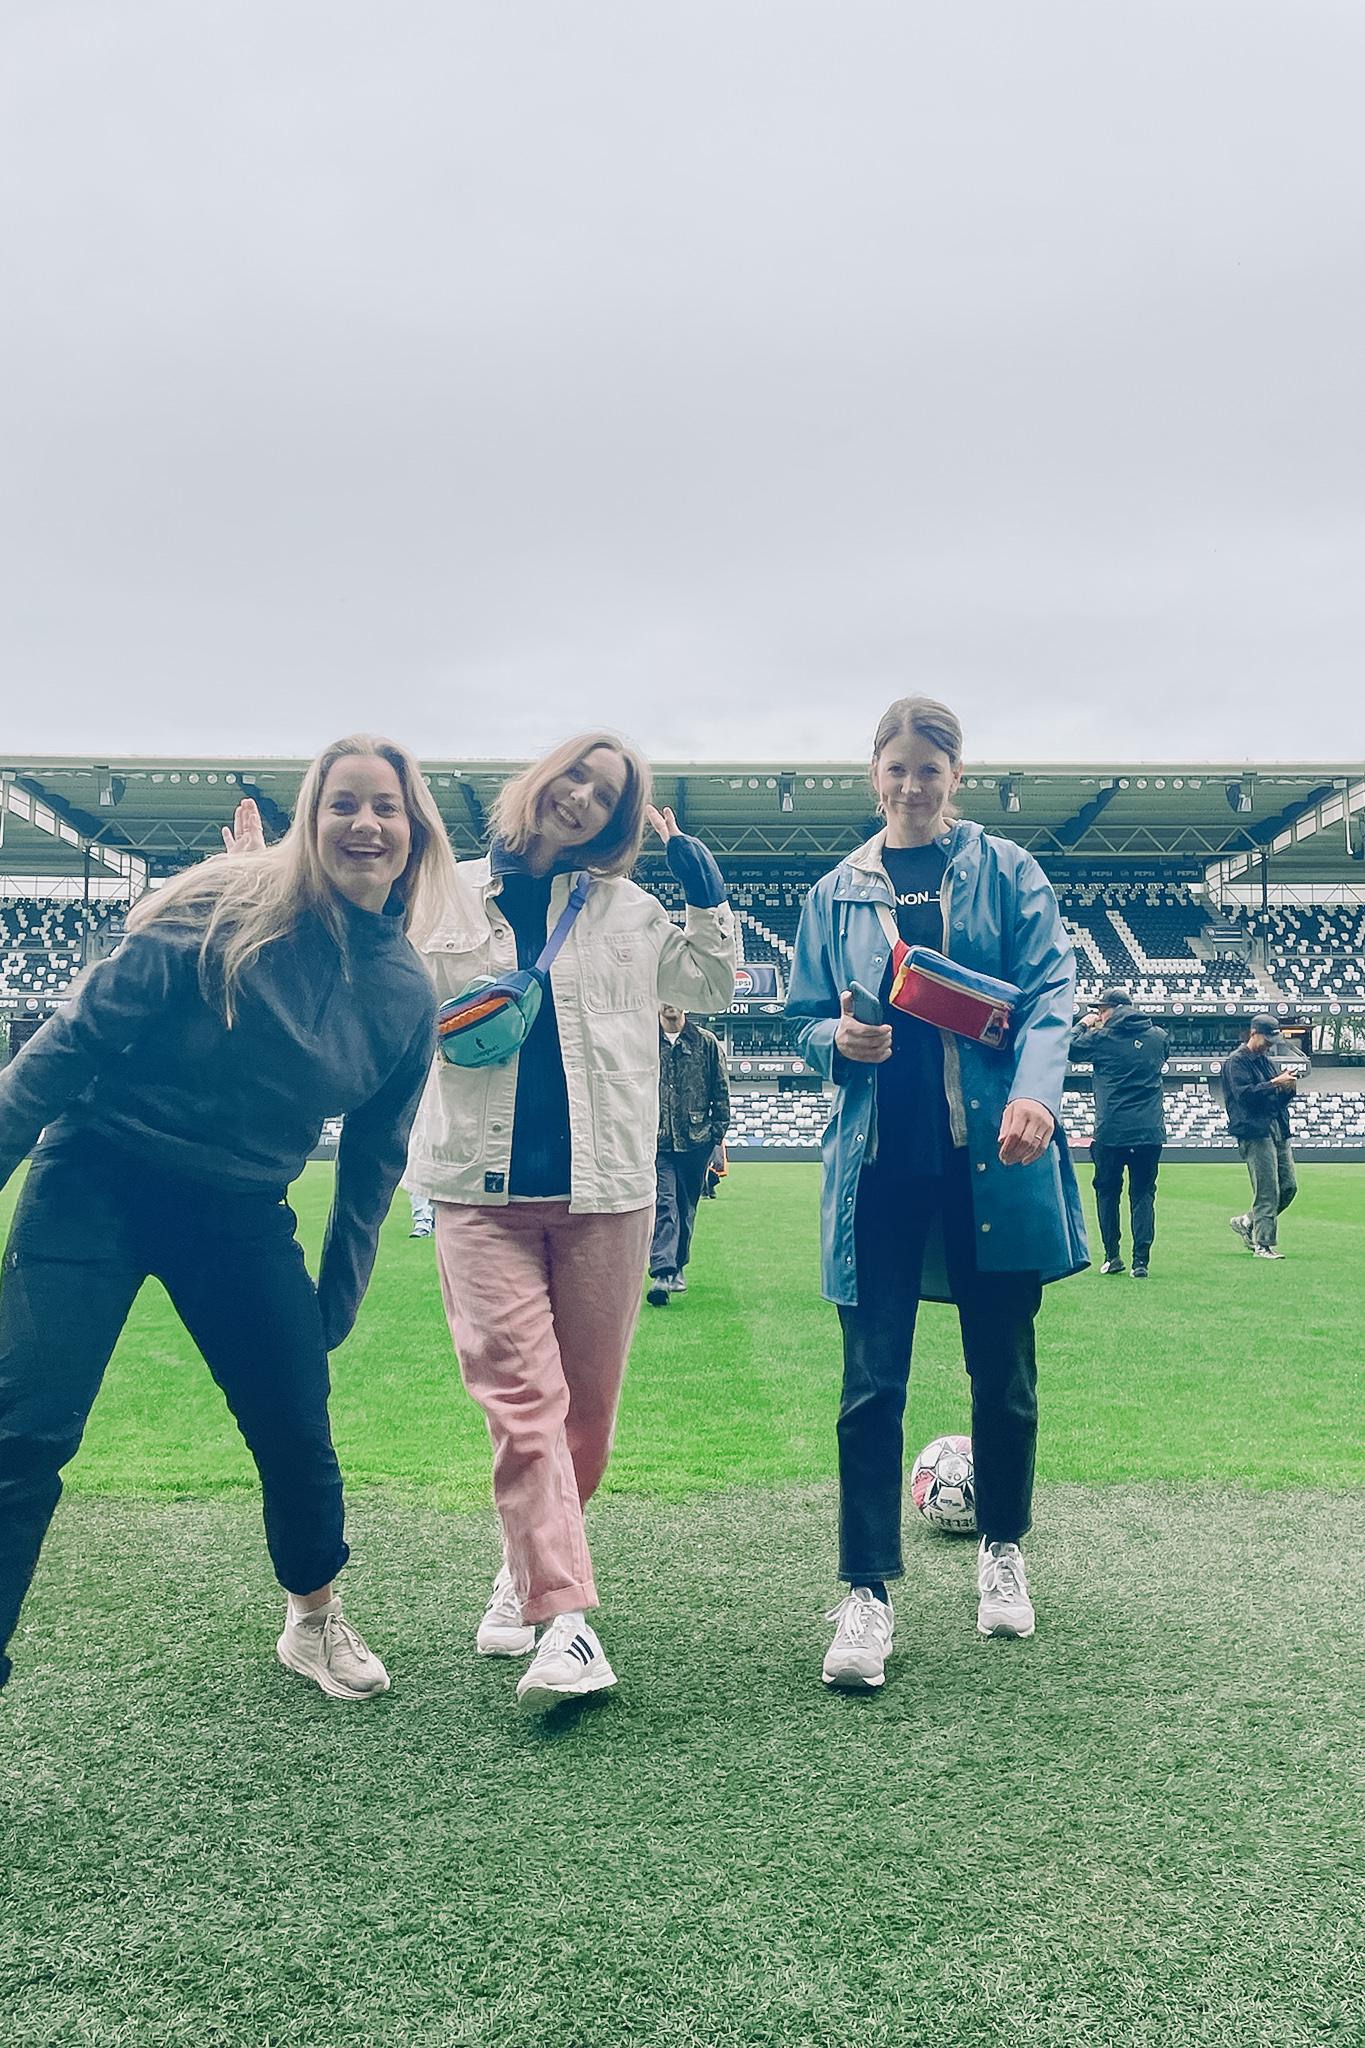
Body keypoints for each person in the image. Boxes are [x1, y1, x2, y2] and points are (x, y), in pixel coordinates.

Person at [0, 736, 453, 1700]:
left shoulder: (408, 993)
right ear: (310, 820)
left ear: (415, 832)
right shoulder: (221, 914)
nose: (364, 824)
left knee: (295, 1425)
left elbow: (375, 1159)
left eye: (386, 806)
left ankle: (314, 1619)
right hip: (98, 1181)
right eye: (342, 804)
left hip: (240, 1208)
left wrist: (332, 1301)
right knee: (24, 1434)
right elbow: (68, 1044)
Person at [404, 733, 735, 1713]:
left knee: (586, 1413)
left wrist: (700, 880)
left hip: (608, 1192)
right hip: (477, 1187)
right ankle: (566, 1621)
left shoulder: (631, 911)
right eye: (576, 773)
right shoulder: (448, 895)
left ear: (621, 820)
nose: (584, 796)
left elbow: (710, 985)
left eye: (609, 793)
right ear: (541, 779)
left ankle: (527, 1563)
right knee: (521, 1398)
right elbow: (387, 999)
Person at [786, 696, 1087, 1690]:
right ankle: (866, 1592)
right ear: (872, 773)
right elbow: (796, 1018)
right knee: (870, 1384)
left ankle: (1003, 1543)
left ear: (957, 776)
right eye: (897, 767)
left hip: (988, 1160)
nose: (913, 784)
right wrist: (837, 1039)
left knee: (1002, 1371)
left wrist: (1038, 1091)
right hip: (878, 1169)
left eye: (931, 768)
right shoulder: (834, 893)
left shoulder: (1007, 872)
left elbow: (1051, 988)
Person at [1070, 985, 1168, 1278]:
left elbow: (1070, 1048)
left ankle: (1112, 1256)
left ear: (1109, 1010)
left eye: (1100, 1010)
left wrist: (1083, 1024)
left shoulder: (1101, 1037)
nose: (1098, 1015)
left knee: (1108, 1192)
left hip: (1111, 1130)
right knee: (1143, 1194)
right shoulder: (1158, 1036)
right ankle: (1141, 1262)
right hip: (1149, 1130)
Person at [645, 1004, 731, 1306]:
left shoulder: (706, 1042)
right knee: (663, 1202)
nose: (670, 1002)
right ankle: (662, 1273)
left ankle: (678, 1264)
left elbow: (720, 1091)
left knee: (686, 1206)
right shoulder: (644, 1041)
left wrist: (715, 1137)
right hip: (655, 1140)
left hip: (696, 1141)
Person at [1223, 1015, 1298, 1260]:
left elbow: (1274, 1100)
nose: (1270, 1045)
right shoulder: (1236, 1061)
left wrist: (1287, 1090)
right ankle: (1263, 1245)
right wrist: (1275, 1082)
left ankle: (1246, 1221)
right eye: (1268, 1039)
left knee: (1288, 1187)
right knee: (1267, 1190)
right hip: (1254, 1131)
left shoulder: (1265, 1061)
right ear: (1254, 1033)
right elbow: (1244, 1096)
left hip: (1277, 1127)